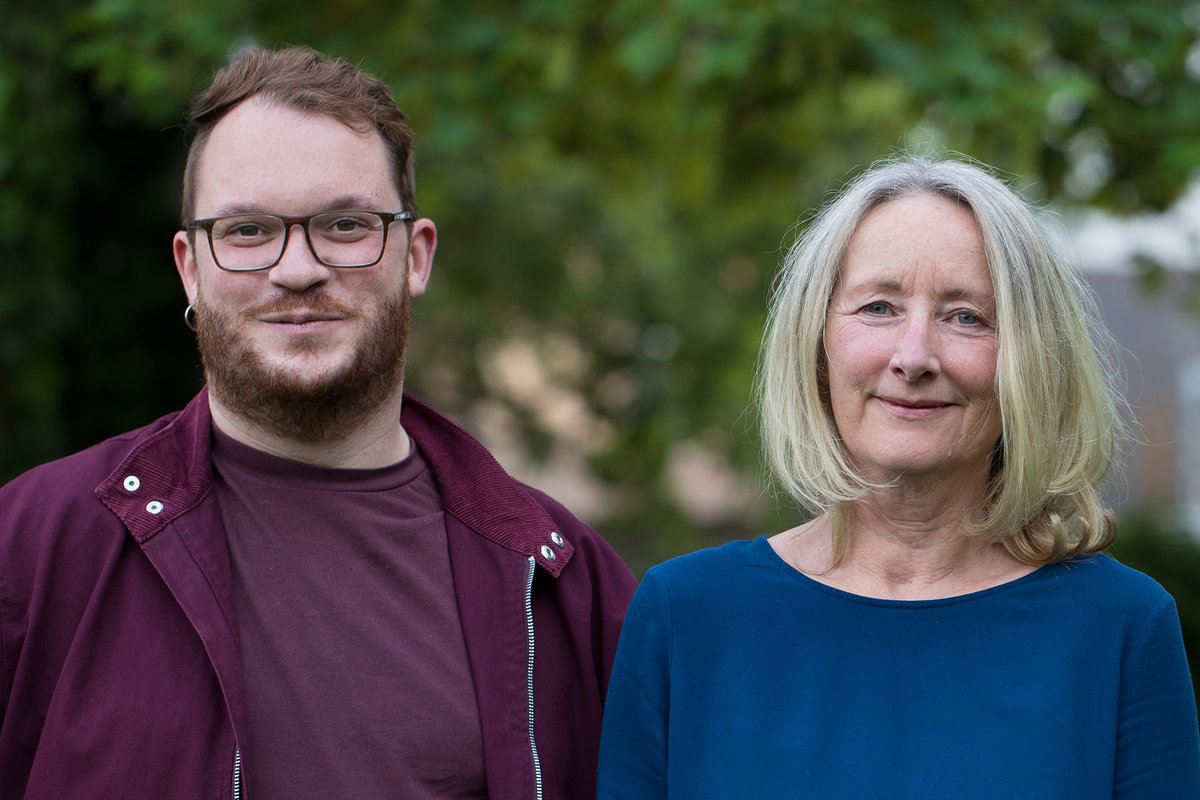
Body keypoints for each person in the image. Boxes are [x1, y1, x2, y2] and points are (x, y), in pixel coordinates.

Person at [0, 46, 637, 800]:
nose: (297, 268)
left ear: (416, 256)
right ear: (190, 268)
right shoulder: (31, 549)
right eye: (246, 231)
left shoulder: (567, 585)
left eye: (344, 224)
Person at [597, 155, 1200, 798]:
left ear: (1032, 360)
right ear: (818, 346)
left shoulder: (1120, 630)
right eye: (879, 307)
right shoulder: (686, 618)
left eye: (965, 316)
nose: (914, 357)